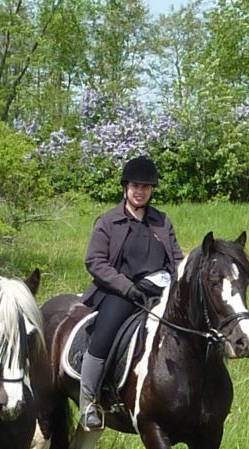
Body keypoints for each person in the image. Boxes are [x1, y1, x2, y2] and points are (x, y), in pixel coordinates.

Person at [77, 155, 184, 430]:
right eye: (135, 186)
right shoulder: (109, 221)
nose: (140, 191)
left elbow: (176, 259)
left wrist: (177, 281)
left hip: (159, 291)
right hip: (120, 292)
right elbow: (95, 261)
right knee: (104, 335)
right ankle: (88, 401)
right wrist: (127, 287)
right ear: (126, 187)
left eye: (146, 187)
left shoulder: (162, 222)